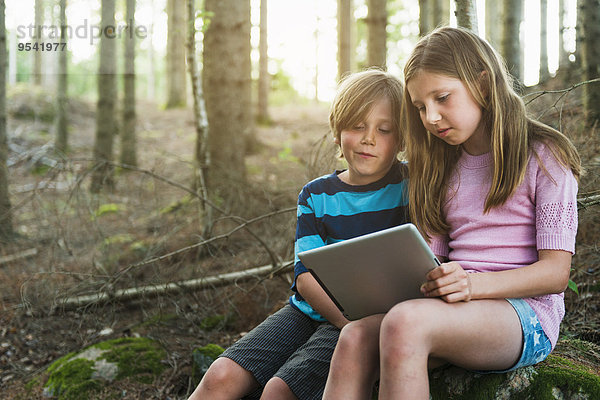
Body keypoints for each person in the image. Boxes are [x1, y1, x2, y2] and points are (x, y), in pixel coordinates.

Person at [323, 26, 581, 400]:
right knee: (354, 337)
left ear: (483, 83)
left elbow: (555, 274)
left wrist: (473, 285)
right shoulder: (441, 166)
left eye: (442, 98)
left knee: (405, 323)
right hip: (453, 309)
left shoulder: (544, 156)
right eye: (419, 107)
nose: (430, 117)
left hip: (524, 315)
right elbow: (435, 258)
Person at [187, 69, 410, 400]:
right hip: (309, 311)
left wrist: (354, 328)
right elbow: (305, 277)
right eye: (357, 126)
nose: (369, 138)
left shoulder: (409, 188)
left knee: (278, 391)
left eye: (385, 129)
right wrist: (343, 322)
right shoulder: (316, 195)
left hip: (367, 319)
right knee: (219, 375)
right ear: (337, 131)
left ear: (402, 139)